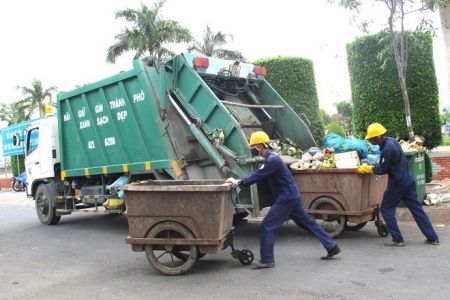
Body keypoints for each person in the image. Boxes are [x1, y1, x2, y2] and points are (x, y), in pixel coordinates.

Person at [225, 131, 341, 268]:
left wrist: (239, 182)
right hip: (291, 195)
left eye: (253, 147)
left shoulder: (272, 160)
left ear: (260, 146)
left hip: (286, 197)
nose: (252, 150)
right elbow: (261, 173)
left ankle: (267, 259)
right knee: (307, 223)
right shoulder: (271, 158)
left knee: (268, 225)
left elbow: (258, 175)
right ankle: (332, 246)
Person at [357, 123, 439, 246]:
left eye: (370, 139)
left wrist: (368, 169)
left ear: (377, 137)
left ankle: (397, 239)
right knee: (417, 209)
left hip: (398, 183)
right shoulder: (391, 141)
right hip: (408, 180)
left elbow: (383, 169)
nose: (369, 141)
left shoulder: (388, 149)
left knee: (386, 208)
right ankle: (433, 238)